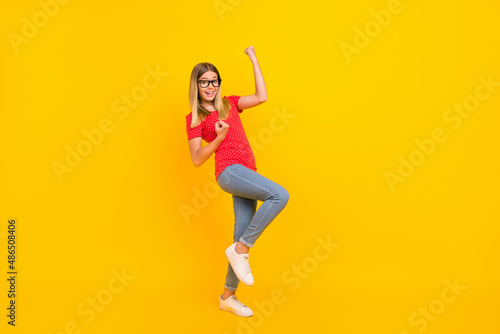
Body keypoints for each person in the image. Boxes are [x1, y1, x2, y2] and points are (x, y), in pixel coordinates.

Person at [185, 46, 289, 317]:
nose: (210, 86)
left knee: (238, 233)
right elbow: (197, 159)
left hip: (246, 171)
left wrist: (254, 59)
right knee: (279, 195)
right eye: (204, 81)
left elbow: (261, 97)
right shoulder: (195, 118)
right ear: (196, 85)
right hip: (229, 171)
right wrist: (218, 138)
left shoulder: (230, 103)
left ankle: (227, 297)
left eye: (214, 81)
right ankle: (241, 249)